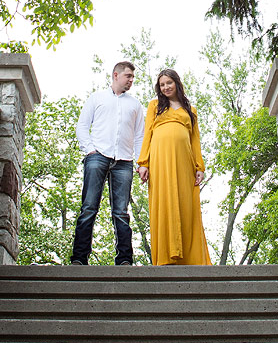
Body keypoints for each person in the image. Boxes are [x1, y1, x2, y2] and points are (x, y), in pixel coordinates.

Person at [70, 60, 145, 265]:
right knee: (89, 207)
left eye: (132, 77)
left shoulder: (135, 105)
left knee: (121, 212)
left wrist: (141, 163)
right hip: (98, 156)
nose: (131, 80)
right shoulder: (97, 98)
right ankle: (79, 258)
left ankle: (124, 260)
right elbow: (83, 126)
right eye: (128, 76)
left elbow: (140, 136)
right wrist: (90, 150)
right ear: (115, 75)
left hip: (124, 161)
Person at [137, 68, 212, 266]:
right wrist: (143, 162)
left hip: (184, 161)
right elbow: (147, 135)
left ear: (177, 83)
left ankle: (191, 258)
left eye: (168, 83)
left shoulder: (190, 110)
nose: (165, 87)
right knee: (164, 200)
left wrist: (199, 167)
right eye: (162, 85)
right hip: (160, 159)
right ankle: (165, 257)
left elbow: (195, 140)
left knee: (185, 203)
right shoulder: (154, 105)